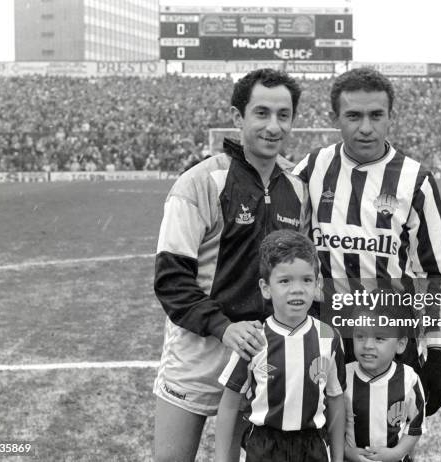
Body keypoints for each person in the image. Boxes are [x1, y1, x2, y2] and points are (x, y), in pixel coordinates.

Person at [152, 68, 310, 462]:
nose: (273, 126)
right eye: (261, 113)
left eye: (283, 115)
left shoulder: (298, 189)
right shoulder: (199, 183)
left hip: (260, 356)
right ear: (238, 117)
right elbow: (171, 280)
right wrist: (223, 328)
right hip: (198, 352)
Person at [293, 67, 441, 417]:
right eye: (353, 115)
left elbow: (437, 274)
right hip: (322, 336)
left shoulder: (415, 180)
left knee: (384, 444)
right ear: (335, 117)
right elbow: (285, 252)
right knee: (319, 442)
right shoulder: (309, 169)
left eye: (376, 115)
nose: (365, 127)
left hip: (389, 338)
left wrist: (437, 350)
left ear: (389, 117)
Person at [216, 230, 346, 462]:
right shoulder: (254, 338)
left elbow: (336, 400)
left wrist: (337, 458)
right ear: (266, 288)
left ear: (317, 284)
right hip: (264, 446)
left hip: (312, 446)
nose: (297, 289)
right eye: (285, 281)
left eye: (306, 280)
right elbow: (229, 404)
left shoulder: (329, 337)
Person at [344, 303, 425, 462]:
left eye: (379, 338)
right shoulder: (342, 376)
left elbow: (416, 425)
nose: (367, 345)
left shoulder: (409, 379)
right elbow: (331, 423)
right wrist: (346, 451)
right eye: (360, 336)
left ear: (400, 344)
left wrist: (396, 453)